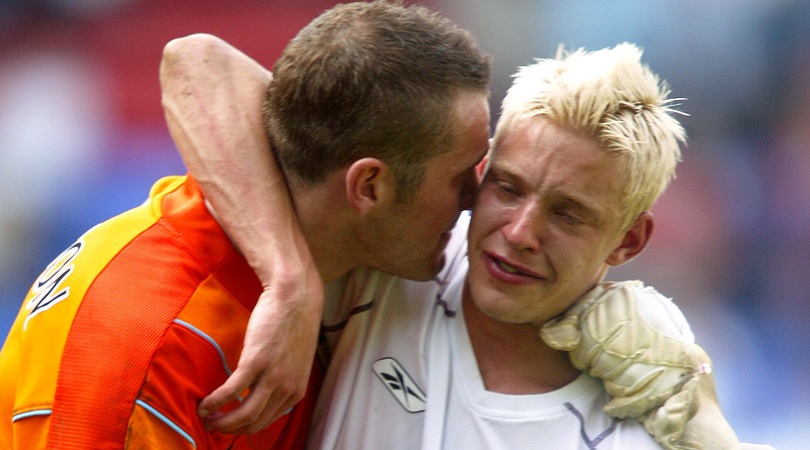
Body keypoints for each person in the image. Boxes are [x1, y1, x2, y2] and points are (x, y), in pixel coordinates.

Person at [164, 29, 775, 449]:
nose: (520, 233)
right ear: (480, 170)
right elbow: (196, 62)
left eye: (567, 215)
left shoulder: (639, 417)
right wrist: (290, 281)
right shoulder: (399, 256)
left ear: (629, 241)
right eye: (508, 187)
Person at [0, 2, 492, 448]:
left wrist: (290, 281)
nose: (477, 195)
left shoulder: (319, 260)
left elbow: (205, 60)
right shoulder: (149, 344)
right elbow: (195, 55)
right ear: (369, 187)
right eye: (459, 175)